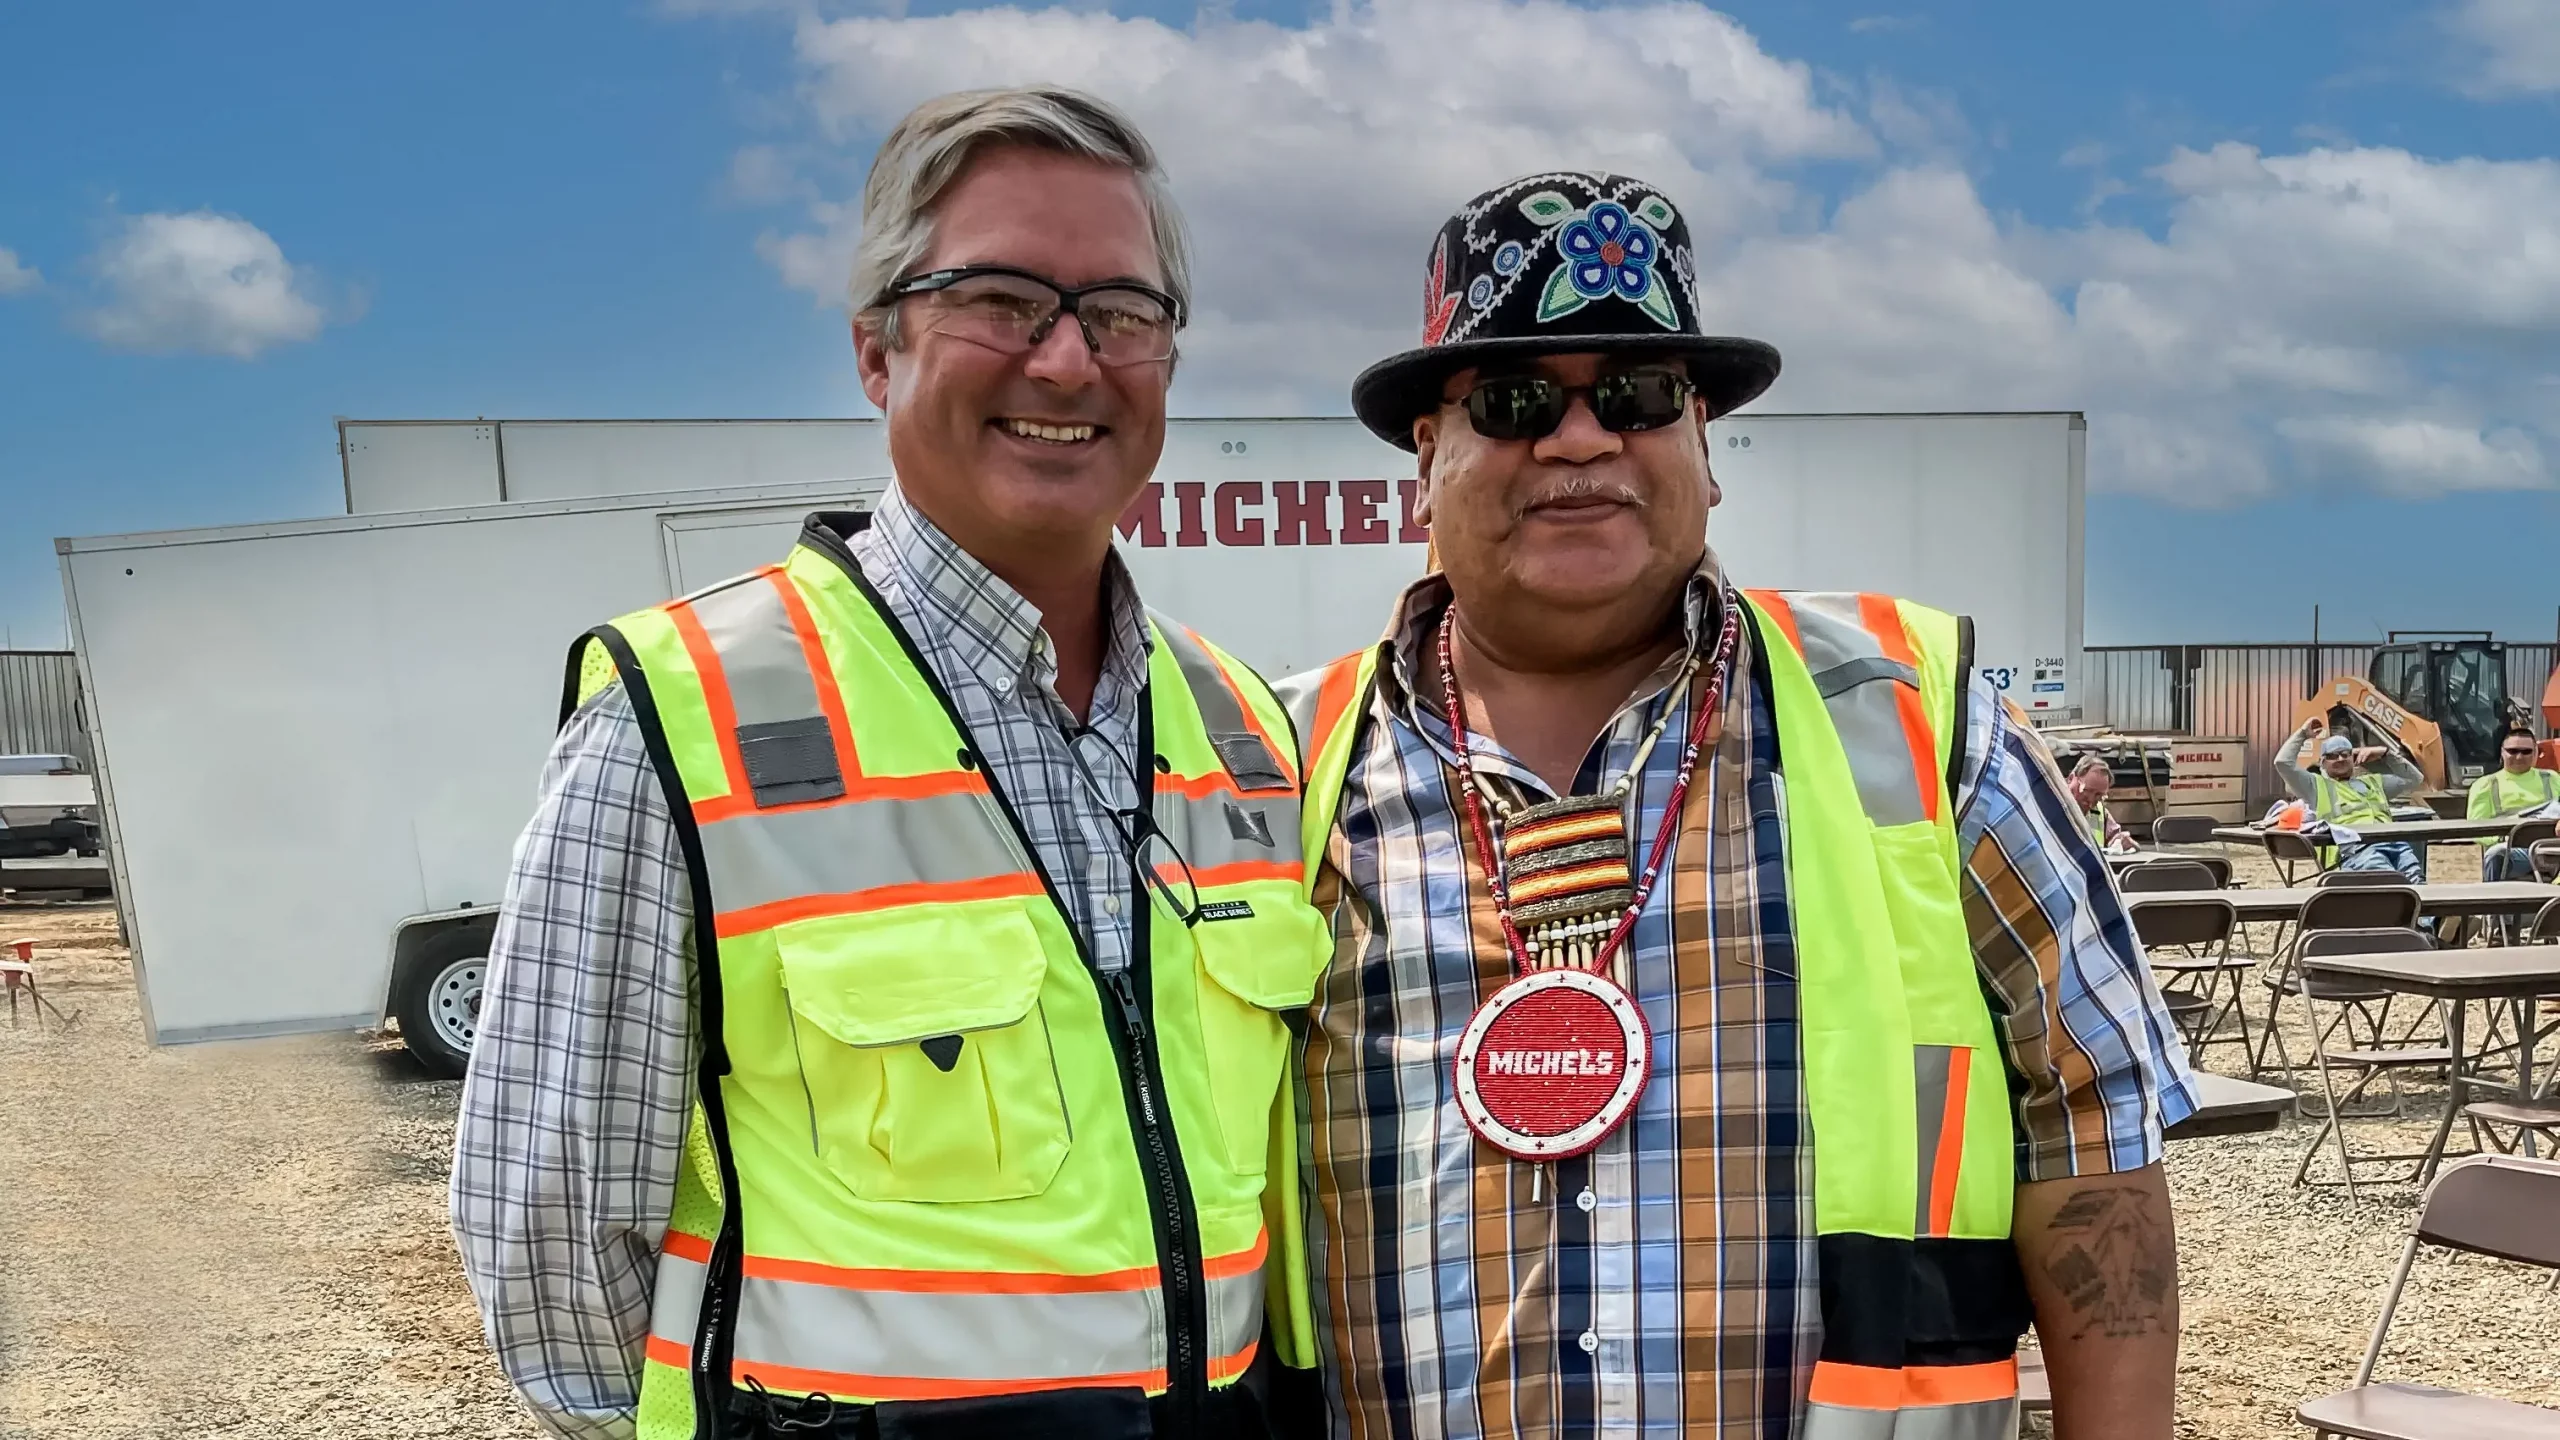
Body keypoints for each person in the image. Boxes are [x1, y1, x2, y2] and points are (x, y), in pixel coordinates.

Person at [452, 86, 1328, 1440]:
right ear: (876, 348)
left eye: (1120, 313)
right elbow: (557, 1242)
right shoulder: (683, 722)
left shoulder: (1247, 738)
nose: (1064, 361)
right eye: (1002, 300)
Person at [1276, 172, 2197, 1440]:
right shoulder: (1276, 772)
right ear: (1423, 461)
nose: (1582, 438)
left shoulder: (1915, 721)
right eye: (1514, 399)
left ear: (1705, 452)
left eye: (1640, 396)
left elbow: (2095, 1136)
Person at [2274, 718, 2426, 885]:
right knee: (2389, 883)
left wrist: (2386, 754)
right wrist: (2303, 734)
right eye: (2332, 756)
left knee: (2417, 881)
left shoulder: (2373, 782)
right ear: (2322, 763)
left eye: (2345, 754)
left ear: (2353, 758)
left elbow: (2415, 779)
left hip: (2394, 843)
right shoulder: (2316, 787)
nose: (2339, 758)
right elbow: (2282, 763)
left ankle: (2425, 912)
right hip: (2355, 850)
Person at [2468, 729, 2560, 881]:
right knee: (2496, 856)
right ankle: (2496, 901)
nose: (2519, 756)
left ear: (2536, 752)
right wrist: (2503, 838)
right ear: (2502, 752)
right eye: (2513, 751)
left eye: (2526, 752)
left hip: (2550, 848)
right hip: (2512, 850)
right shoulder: (2485, 785)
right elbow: (2475, 829)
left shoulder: (2552, 778)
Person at [2066, 753, 2135, 852]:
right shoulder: (2048, 804)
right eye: (2086, 791)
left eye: (2099, 795)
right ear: (2071, 779)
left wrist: (2127, 842)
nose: (2090, 800)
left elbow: (2119, 838)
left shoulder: (2100, 812)